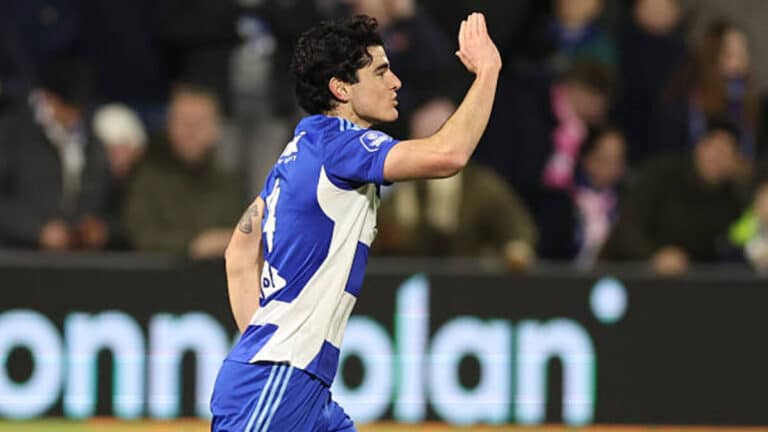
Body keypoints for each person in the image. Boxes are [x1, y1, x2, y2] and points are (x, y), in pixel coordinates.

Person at [211, 12, 501, 432]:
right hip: (276, 382)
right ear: (341, 88)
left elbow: (239, 251)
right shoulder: (339, 146)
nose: (395, 82)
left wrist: (262, 341)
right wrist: (488, 72)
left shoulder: (299, 150)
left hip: (298, 385)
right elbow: (448, 155)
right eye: (381, 72)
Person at [122, 84, 243, 258]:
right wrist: (194, 244)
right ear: (168, 125)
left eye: (199, 123)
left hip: (219, 278)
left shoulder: (230, 181)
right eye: (184, 122)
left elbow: (246, 234)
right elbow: (140, 235)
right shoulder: (145, 177)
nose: (191, 131)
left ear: (216, 129)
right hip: (158, 278)